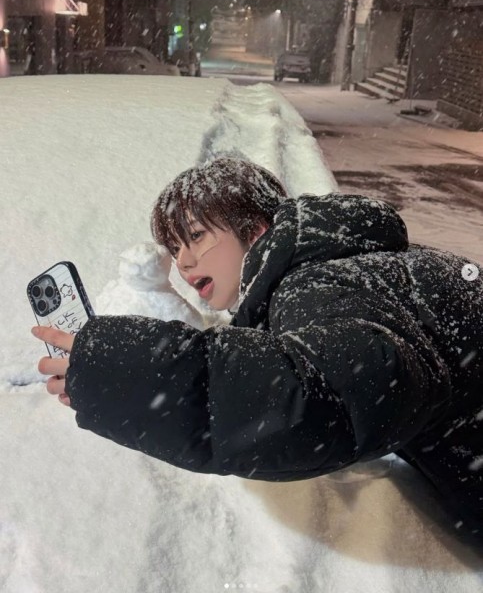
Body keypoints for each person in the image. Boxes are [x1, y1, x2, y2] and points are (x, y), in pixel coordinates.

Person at [33, 156, 483, 539]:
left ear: (256, 228)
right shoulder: (340, 263)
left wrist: (124, 371)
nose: (183, 261)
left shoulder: (312, 284)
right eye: (174, 246)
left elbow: (340, 391)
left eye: (196, 236)